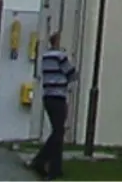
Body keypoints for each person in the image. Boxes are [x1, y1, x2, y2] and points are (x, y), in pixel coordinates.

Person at [31, 32, 76, 179]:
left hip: (48, 96)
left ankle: (56, 168)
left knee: (57, 131)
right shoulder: (60, 56)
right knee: (58, 133)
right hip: (58, 96)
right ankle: (41, 159)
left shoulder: (45, 57)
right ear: (57, 42)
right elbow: (72, 74)